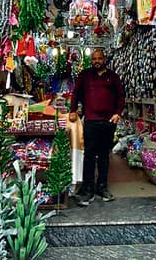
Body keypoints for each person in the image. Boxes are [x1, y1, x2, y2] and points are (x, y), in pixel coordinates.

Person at [69, 48, 125, 206]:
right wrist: (73, 110)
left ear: (104, 59)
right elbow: (75, 93)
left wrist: (117, 113)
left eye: (99, 58)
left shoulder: (113, 77)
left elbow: (121, 96)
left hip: (108, 122)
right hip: (91, 121)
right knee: (89, 155)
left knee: (104, 155)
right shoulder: (85, 75)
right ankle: (88, 189)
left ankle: (102, 187)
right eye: (94, 59)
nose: (97, 61)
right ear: (91, 60)